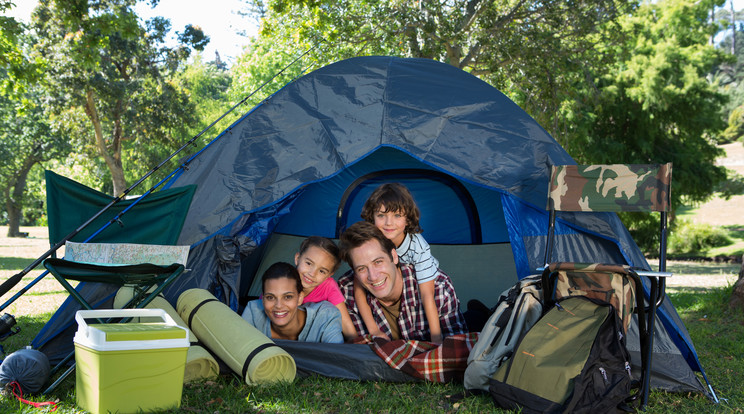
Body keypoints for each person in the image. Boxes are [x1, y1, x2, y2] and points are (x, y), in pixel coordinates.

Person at [338, 221, 467, 341]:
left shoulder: (439, 287)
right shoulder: (345, 294)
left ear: (394, 256)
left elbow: (455, 351)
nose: (373, 276)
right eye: (361, 269)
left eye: (378, 262)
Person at [353, 183, 444, 342]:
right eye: (381, 215)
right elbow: (359, 290)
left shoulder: (418, 248)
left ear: (408, 219)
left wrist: (436, 337)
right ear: (372, 217)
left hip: (427, 280)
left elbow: (427, 294)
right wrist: (374, 330)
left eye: (397, 215)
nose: (389, 223)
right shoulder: (370, 243)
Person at [240, 262, 343, 343]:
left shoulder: (326, 317)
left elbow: (337, 361)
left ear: (300, 298)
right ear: (263, 299)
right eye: (270, 297)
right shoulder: (254, 311)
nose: (279, 306)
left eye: (288, 297)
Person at [293, 236, 357, 341]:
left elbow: (345, 323)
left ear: (329, 275)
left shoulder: (329, 286)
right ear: (297, 258)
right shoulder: (282, 280)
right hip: (283, 336)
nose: (312, 274)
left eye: (322, 271)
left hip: (314, 339)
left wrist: (356, 344)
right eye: (308, 263)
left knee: (328, 310)